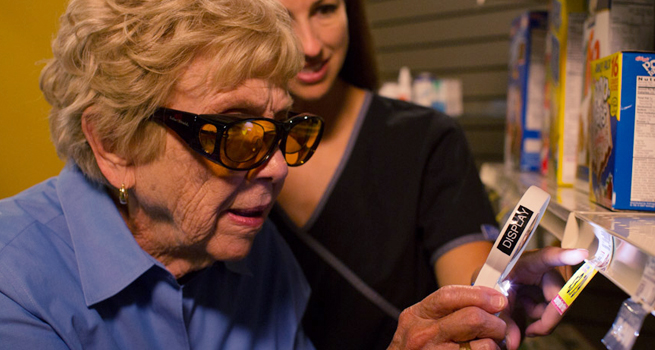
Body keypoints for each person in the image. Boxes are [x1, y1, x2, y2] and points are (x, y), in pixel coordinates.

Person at [0, 0, 587, 349]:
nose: (278, 166)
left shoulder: (260, 260)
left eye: (283, 128)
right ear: (113, 143)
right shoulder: (16, 284)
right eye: (233, 132)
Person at [270, 0, 586, 349]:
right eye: (281, 17)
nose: (310, 46)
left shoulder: (426, 139)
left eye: (325, 9)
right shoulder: (233, 159)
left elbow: (474, 292)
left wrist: (497, 291)